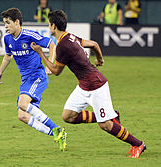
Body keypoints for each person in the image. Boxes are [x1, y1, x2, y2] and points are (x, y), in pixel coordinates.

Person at [31, 10, 147, 158]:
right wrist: (100, 59)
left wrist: (41, 53)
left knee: (105, 125)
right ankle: (112, 115)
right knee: (68, 116)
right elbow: (94, 44)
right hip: (84, 86)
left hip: (96, 86)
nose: (48, 26)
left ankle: (138, 144)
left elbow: (56, 71)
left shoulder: (63, 46)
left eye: (49, 24)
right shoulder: (70, 37)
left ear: (53, 26)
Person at [0, 8, 67, 151]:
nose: (5, 26)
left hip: (37, 77)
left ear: (17, 22)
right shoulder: (7, 38)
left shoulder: (29, 35)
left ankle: (56, 128)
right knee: (22, 116)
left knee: (22, 104)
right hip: (26, 81)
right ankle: (56, 132)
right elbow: (7, 56)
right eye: (4, 23)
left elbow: (52, 45)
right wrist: (0, 72)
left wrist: (50, 66)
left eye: (8, 23)